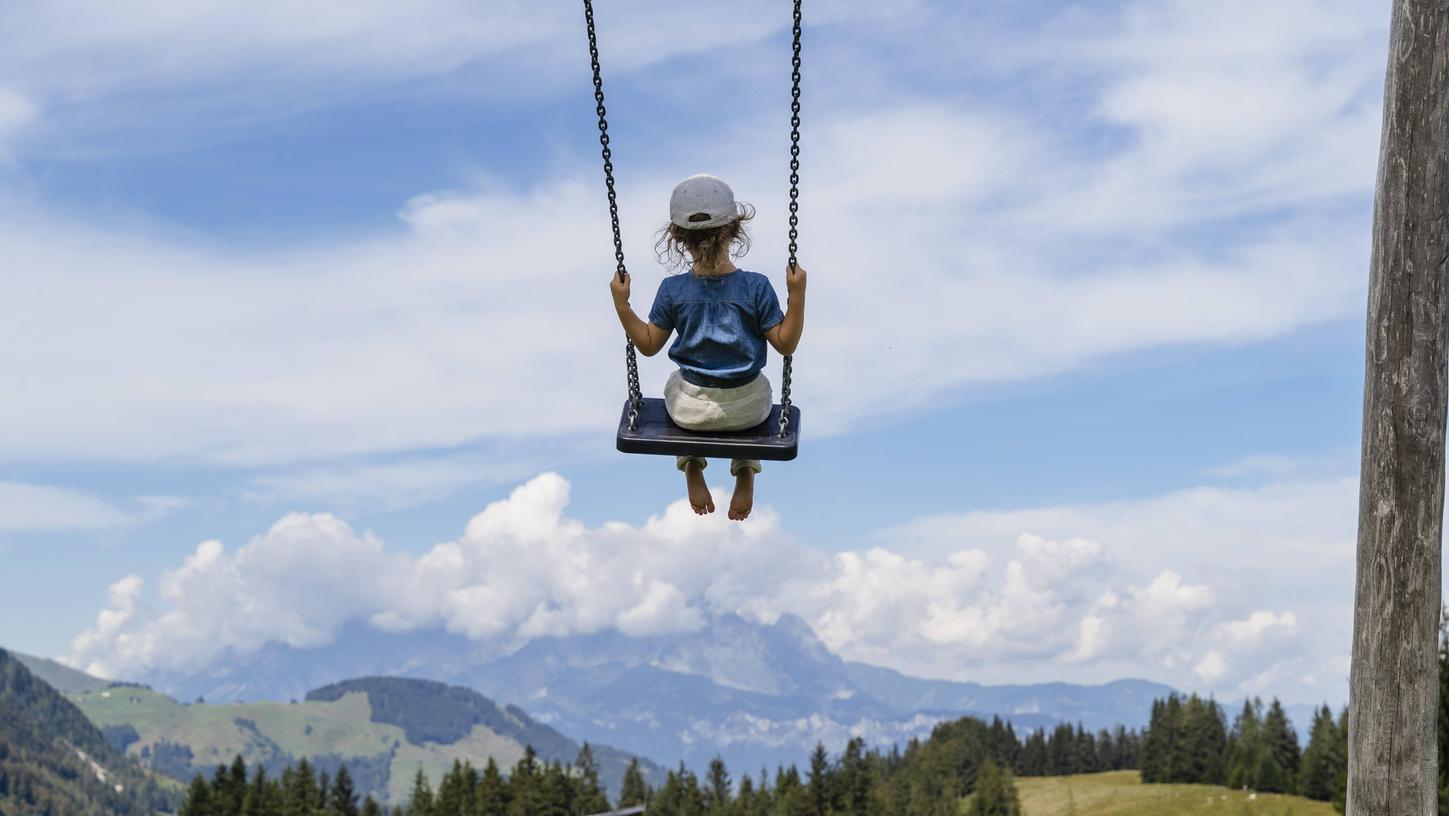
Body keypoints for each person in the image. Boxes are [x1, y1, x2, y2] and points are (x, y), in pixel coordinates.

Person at [610, 173, 806, 520]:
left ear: (677, 238)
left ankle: (690, 466)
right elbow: (785, 344)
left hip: (691, 415)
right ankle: (746, 468)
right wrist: (797, 296)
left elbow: (649, 345)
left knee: (677, 382)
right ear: (734, 230)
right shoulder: (756, 286)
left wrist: (623, 305)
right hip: (749, 412)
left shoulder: (672, 290)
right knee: (756, 385)